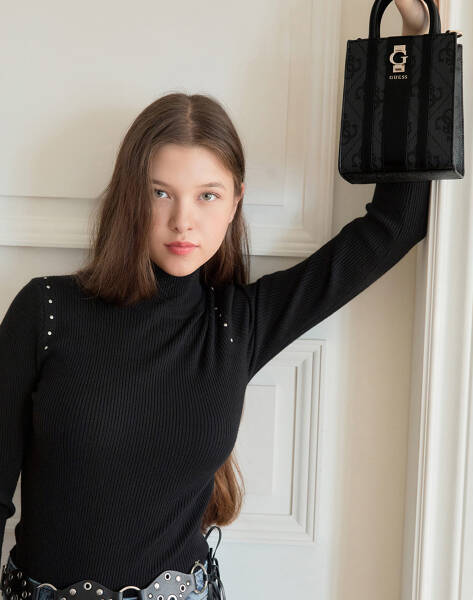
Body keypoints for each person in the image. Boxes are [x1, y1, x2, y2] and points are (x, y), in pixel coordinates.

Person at [0, 3, 435, 598]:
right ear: (130, 196)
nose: (184, 220)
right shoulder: (46, 311)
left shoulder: (236, 326)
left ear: (236, 202)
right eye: (161, 193)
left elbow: (396, 223)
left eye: (207, 195)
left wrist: (410, 42)